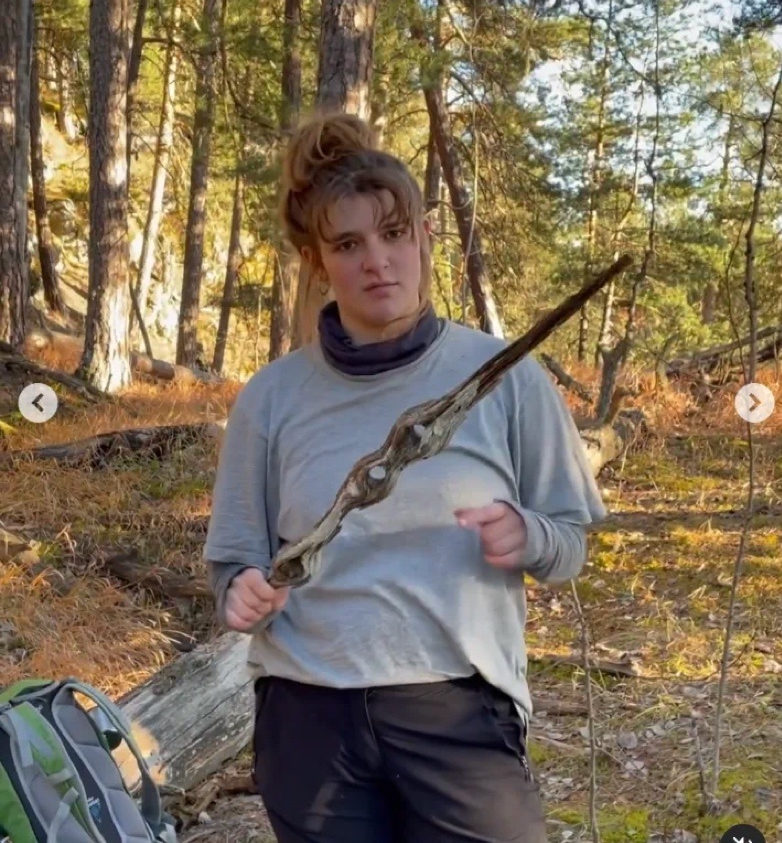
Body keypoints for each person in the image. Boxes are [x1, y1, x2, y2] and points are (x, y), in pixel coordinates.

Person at [203, 110, 607, 843]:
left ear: (425, 237)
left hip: (458, 709)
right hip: (309, 716)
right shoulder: (271, 397)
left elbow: (570, 541)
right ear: (318, 261)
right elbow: (235, 561)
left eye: (393, 234)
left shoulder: (504, 378)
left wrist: (530, 537)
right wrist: (242, 593)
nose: (377, 261)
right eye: (348, 244)